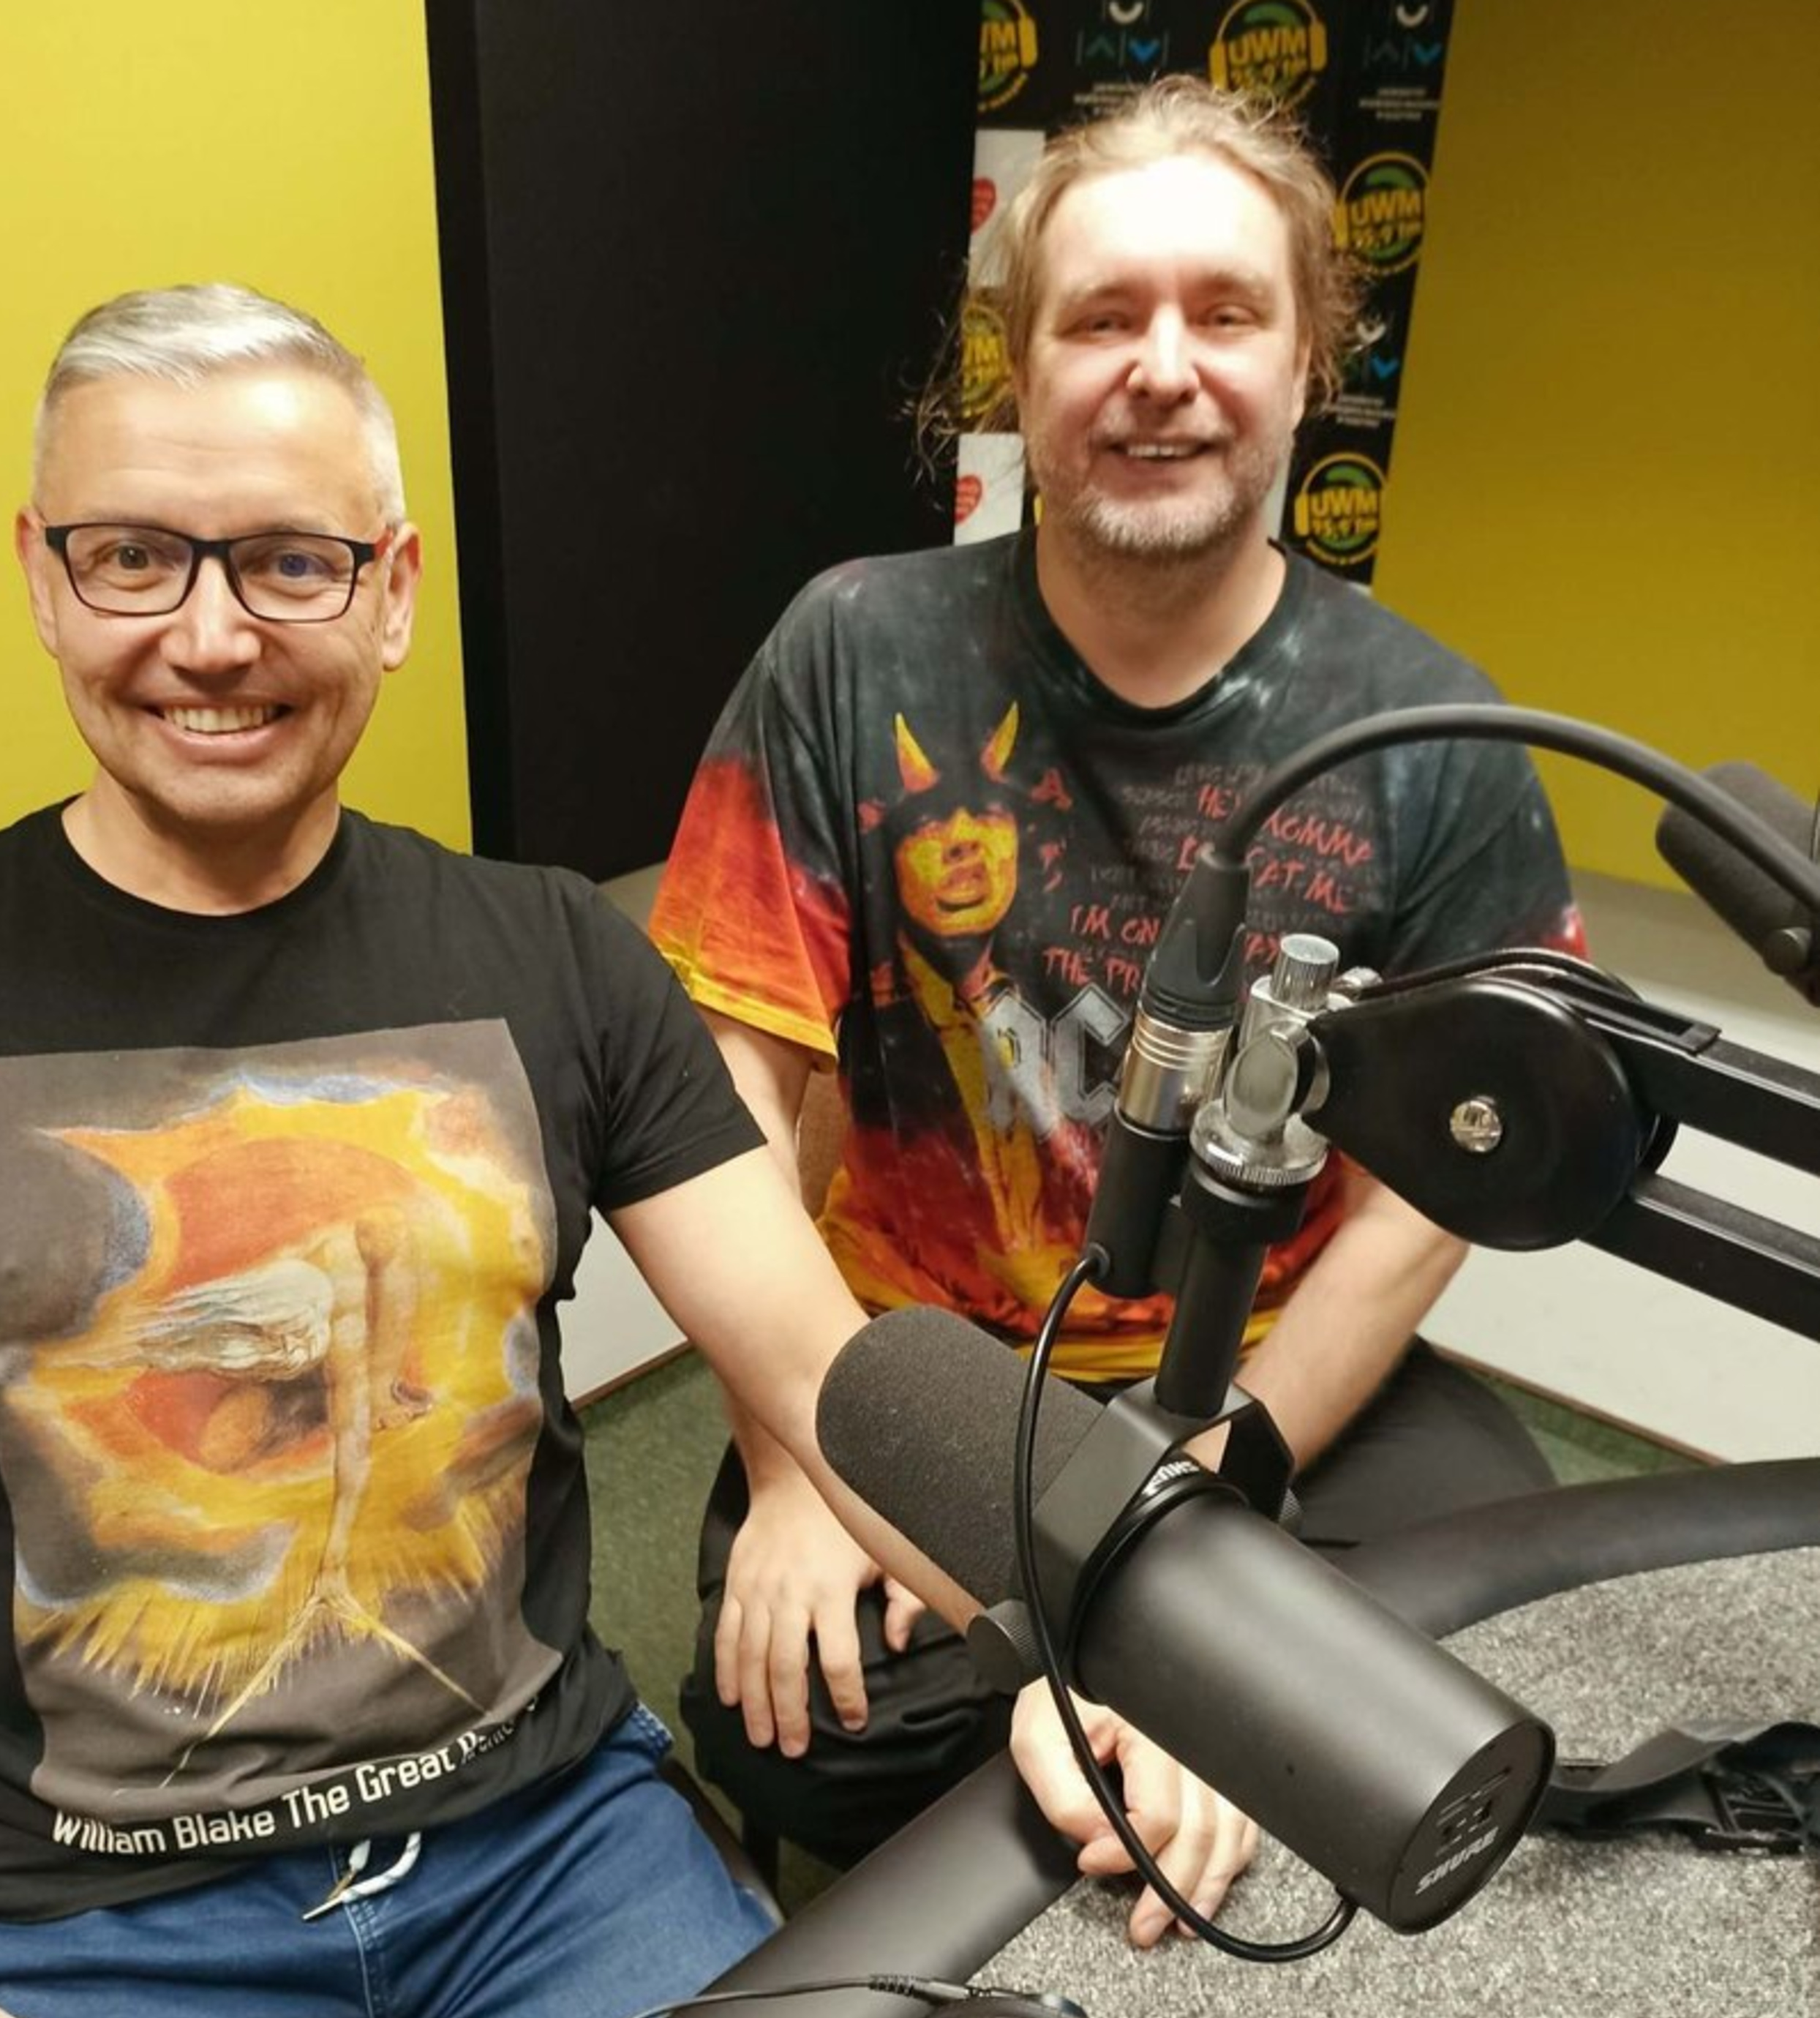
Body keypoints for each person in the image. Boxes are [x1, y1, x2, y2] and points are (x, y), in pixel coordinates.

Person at [0, 284, 966, 2018]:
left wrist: (1120, 1667)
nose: (210, 634)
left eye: (288, 561)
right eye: (134, 556)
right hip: (93, 1939)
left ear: (394, 591)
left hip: (545, 1859)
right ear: (41, 574)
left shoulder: (556, 955)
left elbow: (833, 1379)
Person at [649, 80, 1586, 1898]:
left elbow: (1429, 1205)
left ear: (1307, 364)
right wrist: (792, 1468)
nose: (1164, 370)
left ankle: (1160, 1727)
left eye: (1225, 313)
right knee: (813, 1719)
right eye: (1102, 319)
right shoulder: (851, 647)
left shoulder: (1430, 730)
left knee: (1497, 1664)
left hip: (1265, 1378)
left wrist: (1205, 1505)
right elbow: (723, 1111)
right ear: (1020, 371)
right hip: (928, 1386)